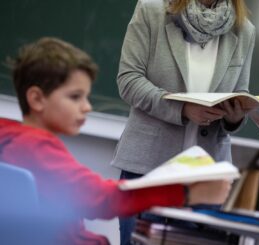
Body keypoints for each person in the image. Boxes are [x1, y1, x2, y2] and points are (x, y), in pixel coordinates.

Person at [0, 37, 232, 245]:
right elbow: (100, 198)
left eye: (87, 97)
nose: (87, 107)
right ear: (37, 99)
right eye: (75, 97)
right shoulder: (38, 148)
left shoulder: (11, 141)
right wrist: (187, 193)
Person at [112, 0, 256, 244]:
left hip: (207, 175)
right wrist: (181, 109)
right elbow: (129, 80)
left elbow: (240, 91)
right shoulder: (152, 11)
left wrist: (234, 118)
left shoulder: (244, 29)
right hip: (147, 167)